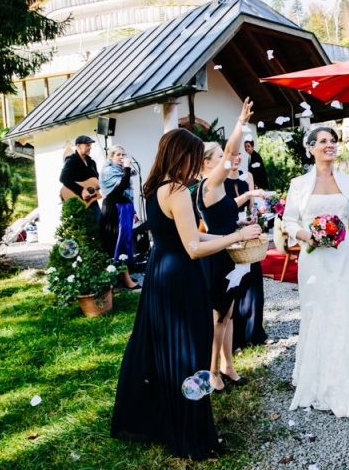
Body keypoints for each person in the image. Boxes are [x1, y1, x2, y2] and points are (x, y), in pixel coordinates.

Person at [110, 128, 262, 460]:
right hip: (180, 277)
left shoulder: (155, 188)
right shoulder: (177, 189)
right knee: (189, 353)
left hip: (160, 272)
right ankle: (191, 435)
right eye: (194, 157)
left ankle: (169, 422)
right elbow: (193, 248)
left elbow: (187, 237)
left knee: (168, 351)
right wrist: (234, 237)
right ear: (183, 155)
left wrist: (234, 236)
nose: (197, 165)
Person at [282, 126, 349, 418]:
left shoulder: (347, 182)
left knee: (344, 312)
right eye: (323, 141)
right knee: (317, 313)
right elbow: (288, 222)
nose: (330, 145)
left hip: (343, 257)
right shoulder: (298, 184)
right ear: (311, 148)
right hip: (313, 262)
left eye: (333, 141)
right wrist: (307, 236)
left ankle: (345, 382)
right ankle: (316, 380)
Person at [197, 99, 268, 393]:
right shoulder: (209, 186)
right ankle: (212, 370)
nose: (228, 158)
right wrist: (241, 122)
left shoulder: (220, 190)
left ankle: (227, 365)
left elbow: (226, 213)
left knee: (227, 315)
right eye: (220, 156)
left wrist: (245, 210)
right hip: (218, 255)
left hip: (232, 253)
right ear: (207, 163)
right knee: (218, 318)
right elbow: (231, 150)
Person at [223, 148, 270, 349]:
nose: (237, 158)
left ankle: (256, 331)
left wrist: (257, 213)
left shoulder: (247, 177)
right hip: (229, 235)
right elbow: (224, 209)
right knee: (236, 286)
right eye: (231, 154)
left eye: (239, 154)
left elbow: (251, 207)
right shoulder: (218, 182)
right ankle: (236, 338)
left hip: (248, 233)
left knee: (254, 282)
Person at [99, 145, 140, 291]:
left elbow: (127, 194)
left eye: (123, 154)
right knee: (117, 243)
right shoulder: (108, 170)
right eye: (118, 155)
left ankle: (122, 275)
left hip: (124, 209)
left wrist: (134, 211)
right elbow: (122, 186)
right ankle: (123, 279)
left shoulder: (120, 170)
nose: (122, 157)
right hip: (114, 211)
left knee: (125, 241)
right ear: (110, 157)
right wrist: (127, 168)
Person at [60, 135, 100, 224]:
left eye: (90, 145)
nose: (90, 148)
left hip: (92, 200)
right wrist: (81, 190)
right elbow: (63, 178)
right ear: (78, 146)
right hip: (78, 200)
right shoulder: (72, 160)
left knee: (99, 226)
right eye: (87, 145)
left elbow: (96, 180)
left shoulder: (91, 162)